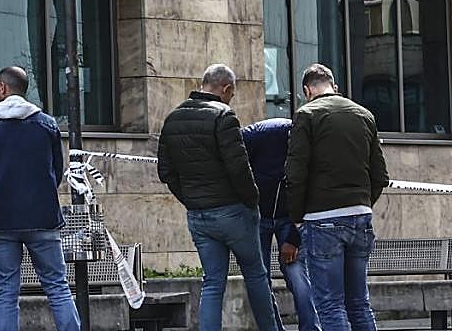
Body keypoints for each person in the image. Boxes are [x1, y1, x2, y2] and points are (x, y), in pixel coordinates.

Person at [156, 64, 277, 331]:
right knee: (256, 275)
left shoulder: (172, 118)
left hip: (198, 215)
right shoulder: (224, 116)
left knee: (212, 282)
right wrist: (252, 200)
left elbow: (165, 171)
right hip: (233, 211)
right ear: (226, 89)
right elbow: (239, 168)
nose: (231, 98)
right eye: (232, 94)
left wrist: (190, 198)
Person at [0, 66, 79, 331]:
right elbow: (56, 171)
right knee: (58, 287)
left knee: (6, 291)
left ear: (2, 88)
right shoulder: (46, 124)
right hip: (43, 218)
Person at [286, 64, 389, 331]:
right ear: (335, 87)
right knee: (359, 303)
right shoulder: (364, 115)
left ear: (307, 91)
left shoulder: (306, 115)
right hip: (360, 217)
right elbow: (380, 175)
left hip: (322, 220)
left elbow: (295, 174)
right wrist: (362, 203)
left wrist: (297, 218)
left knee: (330, 305)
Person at [242, 117, 321, 331]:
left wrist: (294, 239)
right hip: (259, 215)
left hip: (286, 216)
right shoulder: (262, 135)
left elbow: (309, 194)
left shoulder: (310, 147)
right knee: (265, 277)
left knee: (294, 273)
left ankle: (306, 328)